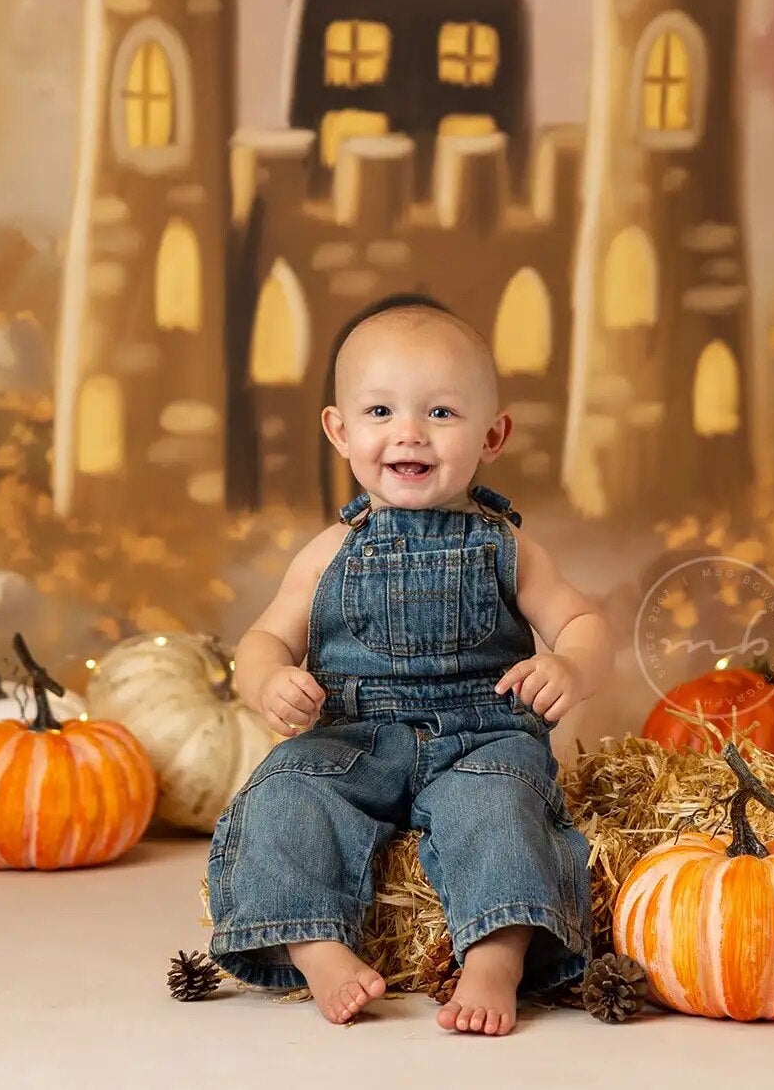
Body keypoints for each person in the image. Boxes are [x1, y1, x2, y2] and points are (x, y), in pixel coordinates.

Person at [206, 296, 612, 1035]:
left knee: (501, 812)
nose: (409, 433)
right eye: (382, 410)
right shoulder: (328, 551)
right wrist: (268, 678)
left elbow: (584, 621)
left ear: (493, 434)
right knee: (282, 796)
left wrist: (571, 665)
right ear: (340, 429)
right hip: (354, 739)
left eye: (442, 413)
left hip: (481, 737)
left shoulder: (508, 547)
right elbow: (262, 640)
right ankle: (317, 945)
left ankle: (496, 953)